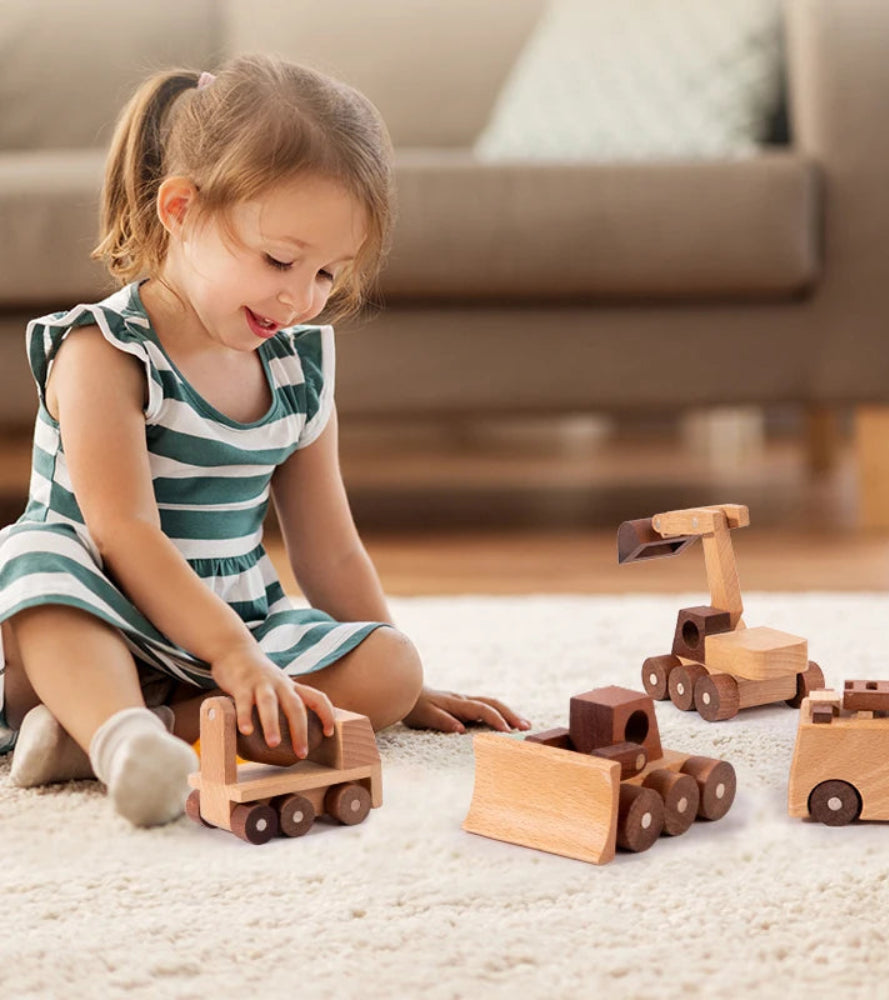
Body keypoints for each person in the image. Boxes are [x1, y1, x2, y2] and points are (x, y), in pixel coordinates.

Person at [0, 56, 527, 828]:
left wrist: (404, 690)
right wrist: (234, 659)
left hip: (232, 620)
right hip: (100, 610)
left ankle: (126, 738)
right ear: (179, 209)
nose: (298, 296)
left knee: (389, 666)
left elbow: (330, 553)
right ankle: (111, 725)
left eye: (327, 274)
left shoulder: (298, 366)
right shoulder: (104, 353)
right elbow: (124, 533)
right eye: (280, 259)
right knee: (35, 564)